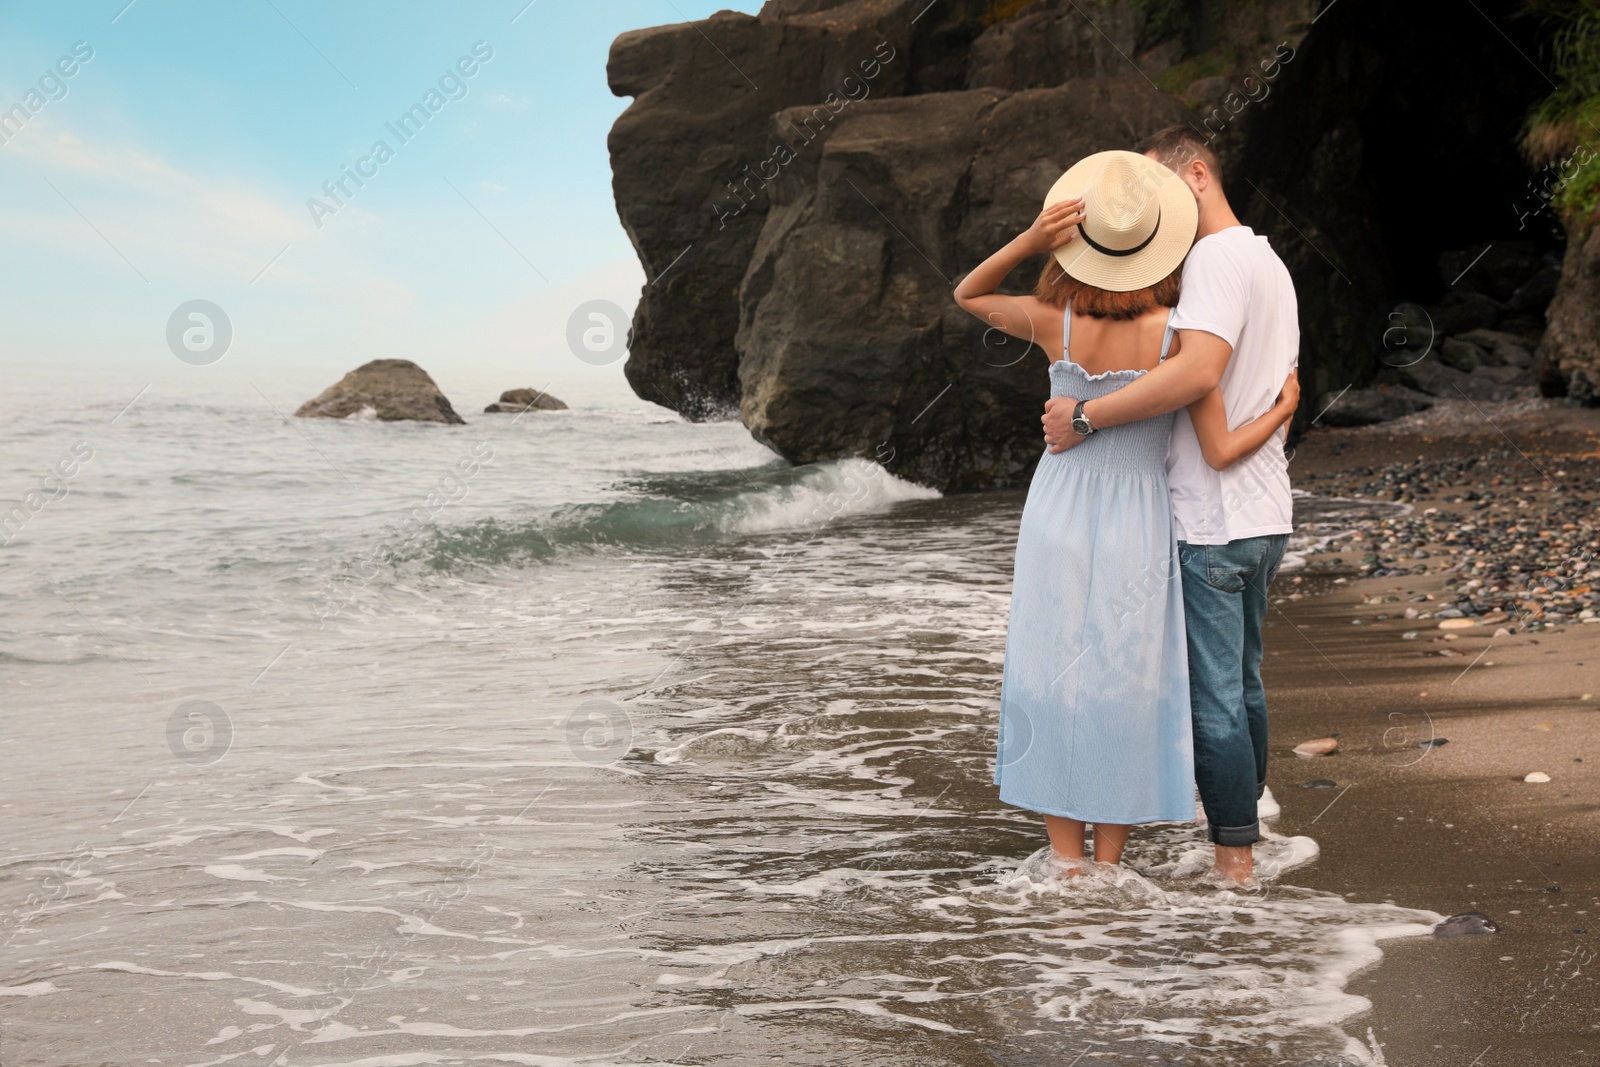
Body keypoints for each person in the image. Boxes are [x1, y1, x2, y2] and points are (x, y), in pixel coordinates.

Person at [954, 149, 1298, 872]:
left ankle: (1064, 858)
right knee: (1124, 676)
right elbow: (1218, 439)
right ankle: (1108, 862)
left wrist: (1030, 239)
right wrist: (1285, 408)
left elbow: (969, 295)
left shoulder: (1057, 319)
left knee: (1052, 672)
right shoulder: (1179, 333)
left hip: (1058, 508)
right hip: (1140, 514)